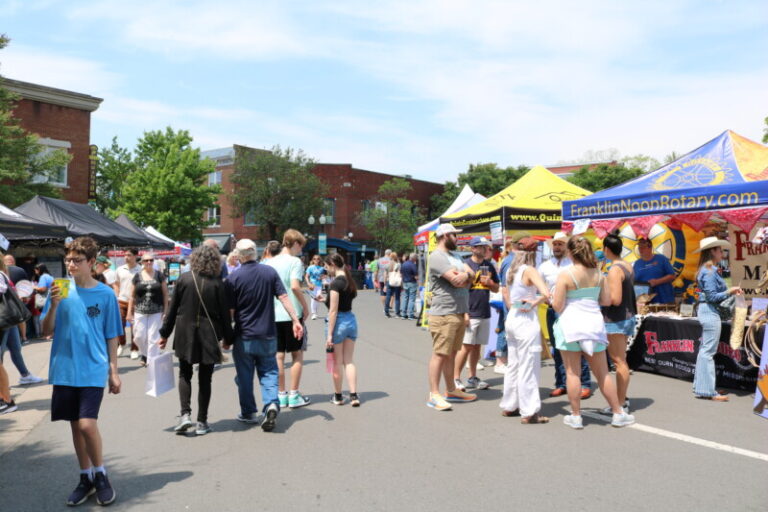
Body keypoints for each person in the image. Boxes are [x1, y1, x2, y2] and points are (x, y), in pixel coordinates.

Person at [42, 237, 122, 506]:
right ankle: (85, 477)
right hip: (65, 369)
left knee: (87, 425)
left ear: (91, 263)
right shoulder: (59, 289)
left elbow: (112, 334)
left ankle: (101, 474)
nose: (71, 264)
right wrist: (53, 305)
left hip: (92, 367)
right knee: (76, 427)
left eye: (77, 260)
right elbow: (46, 330)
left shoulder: (106, 294)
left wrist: (114, 371)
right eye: (68, 259)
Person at [551, 236, 635, 429]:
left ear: (571, 252)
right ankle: (617, 412)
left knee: (573, 373)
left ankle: (576, 415)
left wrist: (551, 297)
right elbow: (606, 301)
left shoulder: (566, 274)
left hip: (570, 325)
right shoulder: (598, 273)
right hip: (593, 325)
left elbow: (557, 305)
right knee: (603, 373)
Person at [225, 238, 303, 432]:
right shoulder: (269, 272)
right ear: (254, 252)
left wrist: (226, 337)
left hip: (244, 335)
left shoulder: (234, 278)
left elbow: (231, 312)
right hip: (268, 332)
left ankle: (249, 412)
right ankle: (271, 404)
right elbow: (284, 297)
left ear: (239, 255)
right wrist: (295, 319)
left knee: (244, 376)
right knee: (269, 371)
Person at [159, 244, 233, 436]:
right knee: (205, 378)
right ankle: (202, 421)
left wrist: (164, 334)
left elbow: (173, 310)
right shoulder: (217, 283)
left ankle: (185, 415)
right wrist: (228, 338)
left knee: (185, 373)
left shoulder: (184, 279)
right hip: (209, 334)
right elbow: (225, 315)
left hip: (185, 332)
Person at [426, 224, 478, 411]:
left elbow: (472, 274)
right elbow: (454, 280)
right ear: (445, 235)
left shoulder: (455, 256)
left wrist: (465, 275)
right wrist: (465, 276)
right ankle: (434, 394)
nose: (458, 238)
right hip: (444, 313)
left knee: (452, 353)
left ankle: (451, 390)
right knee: (440, 354)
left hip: (457, 311)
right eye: (455, 235)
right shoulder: (436, 256)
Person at [500, 237, 551, 423]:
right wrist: (535, 301)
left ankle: (510, 404)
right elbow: (546, 293)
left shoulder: (511, 270)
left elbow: (506, 292)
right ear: (533, 253)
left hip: (513, 315)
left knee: (513, 364)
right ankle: (529, 411)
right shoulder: (529, 270)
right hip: (525, 317)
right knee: (528, 365)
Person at [538, 232, 592, 399]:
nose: (557, 247)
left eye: (560, 244)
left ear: (567, 247)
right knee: (558, 347)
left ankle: (584, 383)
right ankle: (562, 383)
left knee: (576, 347)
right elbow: (539, 286)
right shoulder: (545, 266)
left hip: (571, 309)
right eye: (555, 244)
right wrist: (545, 296)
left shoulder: (573, 264)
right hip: (552, 309)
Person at [263, 229, 311, 409]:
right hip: (292, 314)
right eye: (301, 246)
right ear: (296, 243)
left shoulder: (269, 262)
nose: (301, 250)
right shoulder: (295, 262)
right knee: (297, 354)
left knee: (278, 355)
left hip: (273, 313)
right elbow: (295, 286)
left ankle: (281, 394)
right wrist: (305, 307)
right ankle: (294, 394)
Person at [693, 237, 741, 401]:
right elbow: (713, 297)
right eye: (719, 250)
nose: (722, 253)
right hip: (710, 311)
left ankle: (702, 387)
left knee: (705, 350)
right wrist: (730, 291)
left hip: (706, 310)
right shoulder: (710, 271)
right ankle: (707, 390)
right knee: (708, 351)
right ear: (712, 251)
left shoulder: (706, 269)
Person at [454, 237, 499, 391]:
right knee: (466, 347)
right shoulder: (465, 265)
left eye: (485, 247)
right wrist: (464, 313)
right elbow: (459, 289)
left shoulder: (489, 266)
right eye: (480, 247)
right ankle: (456, 378)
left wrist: (490, 283)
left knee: (477, 347)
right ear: (473, 249)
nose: (484, 249)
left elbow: (496, 288)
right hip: (470, 311)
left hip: (484, 311)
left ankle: (472, 377)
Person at [601, 233, 637, 413]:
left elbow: (614, 299)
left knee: (619, 361)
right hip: (626, 316)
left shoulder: (615, 269)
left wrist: (598, 297)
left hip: (616, 319)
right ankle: (621, 398)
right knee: (620, 360)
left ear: (606, 249)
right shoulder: (627, 265)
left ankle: (621, 402)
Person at [322, 253, 360, 406]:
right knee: (349, 361)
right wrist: (325, 300)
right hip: (351, 320)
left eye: (326, 267)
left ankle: (338, 396)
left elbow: (333, 311)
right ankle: (353, 395)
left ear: (332, 264)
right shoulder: (349, 281)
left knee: (337, 362)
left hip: (338, 322)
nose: (326, 270)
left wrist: (329, 335)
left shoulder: (335, 284)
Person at [126, 252, 169, 366]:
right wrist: (129, 313)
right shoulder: (137, 276)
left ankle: (151, 361)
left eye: (151, 260)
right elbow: (132, 296)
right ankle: (146, 353)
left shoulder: (160, 275)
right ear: (142, 262)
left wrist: (166, 311)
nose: (149, 262)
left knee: (153, 337)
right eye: (146, 260)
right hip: (140, 311)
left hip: (156, 311)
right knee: (139, 336)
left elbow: (165, 294)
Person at [633, 237, 676, 304]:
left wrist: (657, 282)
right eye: (639, 247)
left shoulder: (661, 259)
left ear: (650, 248)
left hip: (664, 300)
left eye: (643, 247)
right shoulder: (637, 264)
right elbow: (634, 282)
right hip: (645, 303)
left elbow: (672, 276)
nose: (640, 250)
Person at [115, 248, 141, 359]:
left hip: (136, 302)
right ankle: (122, 343)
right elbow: (116, 283)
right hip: (121, 300)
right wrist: (116, 296)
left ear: (135, 256)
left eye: (129, 255)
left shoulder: (141, 270)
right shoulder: (120, 269)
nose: (126, 257)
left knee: (135, 327)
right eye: (125, 255)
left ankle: (134, 349)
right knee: (119, 325)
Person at [3, 254, 31, 343]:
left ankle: (7, 340)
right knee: (21, 318)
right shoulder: (20, 270)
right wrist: (26, 296)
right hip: (19, 298)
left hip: (5, 300)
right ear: (13, 261)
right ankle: (24, 337)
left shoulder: (2, 271)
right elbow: (26, 284)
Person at [33, 263, 54, 340]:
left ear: (39, 269)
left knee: (45, 317)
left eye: (36, 270)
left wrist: (34, 287)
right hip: (51, 299)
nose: (35, 271)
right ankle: (51, 334)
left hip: (45, 299)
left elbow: (43, 289)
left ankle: (47, 334)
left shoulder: (43, 277)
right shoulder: (49, 276)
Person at [305, 255, 327, 320]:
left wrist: (322, 277)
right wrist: (308, 283)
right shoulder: (310, 267)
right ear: (313, 260)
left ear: (319, 260)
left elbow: (326, 275)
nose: (316, 260)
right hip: (312, 285)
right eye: (314, 259)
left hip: (319, 285)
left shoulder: (322, 268)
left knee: (317, 298)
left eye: (317, 259)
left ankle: (315, 312)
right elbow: (306, 276)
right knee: (313, 299)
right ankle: (314, 313)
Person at [384, 251, 403, 318]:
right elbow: (400, 274)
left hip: (390, 281)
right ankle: (397, 313)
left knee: (388, 296)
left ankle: (386, 312)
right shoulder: (398, 264)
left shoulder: (388, 264)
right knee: (397, 297)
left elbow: (385, 275)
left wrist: (385, 284)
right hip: (397, 282)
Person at [401, 253, 419, 320]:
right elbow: (416, 276)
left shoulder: (404, 264)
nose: (416, 259)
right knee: (411, 299)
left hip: (405, 282)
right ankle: (410, 315)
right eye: (416, 258)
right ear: (414, 258)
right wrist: (418, 282)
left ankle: (403, 314)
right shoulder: (413, 265)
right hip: (412, 282)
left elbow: (401, 274)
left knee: (405, 298)